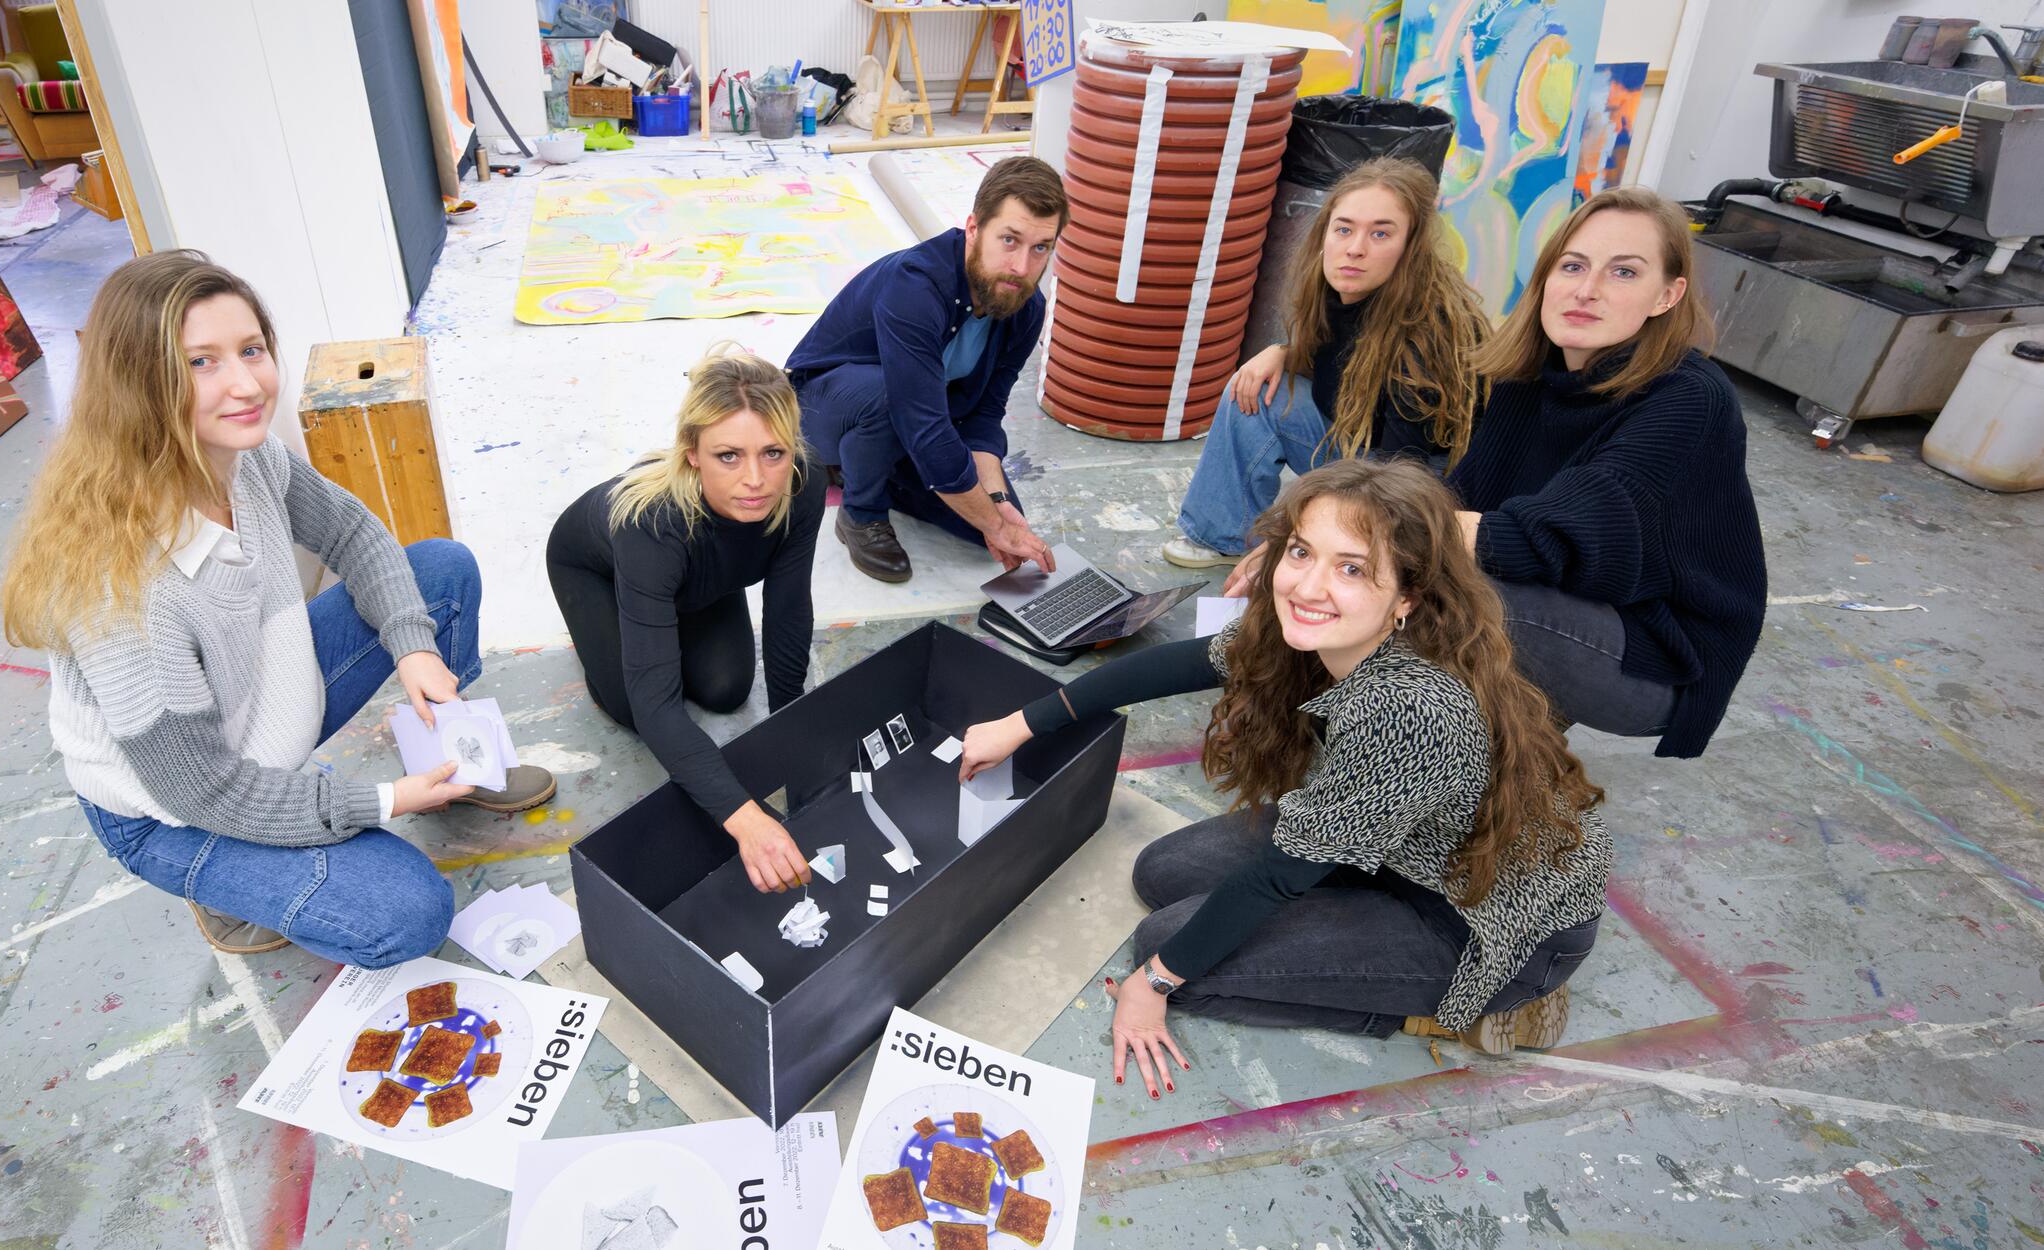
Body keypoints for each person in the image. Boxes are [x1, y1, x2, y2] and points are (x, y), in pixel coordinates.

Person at [958, 459, 1611, 1094]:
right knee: (1161, 876)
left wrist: (1152, 985)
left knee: (1169, 953)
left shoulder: (1412, 709)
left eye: (1351, 567)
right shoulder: (1319, 627)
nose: (1307, 585)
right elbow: (1179, 665)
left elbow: (1278, 876)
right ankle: (1352, 915)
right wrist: (1020, 723)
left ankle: (1483, 1007)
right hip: (1397, 845)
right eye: (1301, 552)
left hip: (1484, 924)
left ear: (1408, 596)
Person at [0, 251, 555, 963]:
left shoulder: (247, 457)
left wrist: (415, 647)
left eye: (251, 349)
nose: (245, 383)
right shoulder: (121, 592)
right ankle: (226, 891)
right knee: (407, 914)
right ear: (141, 384)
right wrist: (384, 802)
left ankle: (458, 757)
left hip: (258, 702)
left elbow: (356, 533)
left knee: (437, 574)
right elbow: (206, 792)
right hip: (174, 809)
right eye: (201, 363)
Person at [1226, 189, 1766, 758]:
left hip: (1657, 654)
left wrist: (1339, 541)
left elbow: (1558, 538)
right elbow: (1459, 491)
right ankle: (1410, 740)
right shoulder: (1530, 373)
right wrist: (1310, 546)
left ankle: (1407, 756)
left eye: (1624, 272)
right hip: (1565, 599)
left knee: (1450, 594)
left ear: (1667, 295)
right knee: (1384, 572)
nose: (1587, 290)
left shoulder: (1690, 398)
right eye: (1573, 266)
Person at [547, 347, 824, 894]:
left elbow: (790, 609)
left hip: (698, 579)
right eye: (728, 456)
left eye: (772, 452)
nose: (755, 480)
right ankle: (612, 631)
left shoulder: (800, 483)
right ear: (692, 452)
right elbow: (656, 709)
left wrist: (793, 746)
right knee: (635, 706)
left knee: (725, 691)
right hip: (596, 572)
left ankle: (672, 606)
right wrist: (748, 822)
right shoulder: (650, 524)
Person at [1164, 157, 1487, 569]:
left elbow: (1401, 474)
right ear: (1325, 232)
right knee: (1257, 387)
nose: (1355, 247)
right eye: (1344, 228)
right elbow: (1337, 367)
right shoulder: (1345, 290)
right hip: (1362, 444)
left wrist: (1298, 541)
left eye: (1381, 233)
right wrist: (1283, 352)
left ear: (1411, 247)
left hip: (1418, 487)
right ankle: (1223, 535)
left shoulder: (1425, 337)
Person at [786, 156, 1064, 584]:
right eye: (1009, 240)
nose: (1023, 267)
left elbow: (984, 415)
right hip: (823, 408)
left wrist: (995, 505)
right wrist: (992, 520)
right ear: (974, 229)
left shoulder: (1025, 307)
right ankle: (861, 512)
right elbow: (922, 422)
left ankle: (881, 467)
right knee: (888, 400)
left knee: (992, 527)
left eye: (1040, 247)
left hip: (915, 415)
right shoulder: (915, 286)